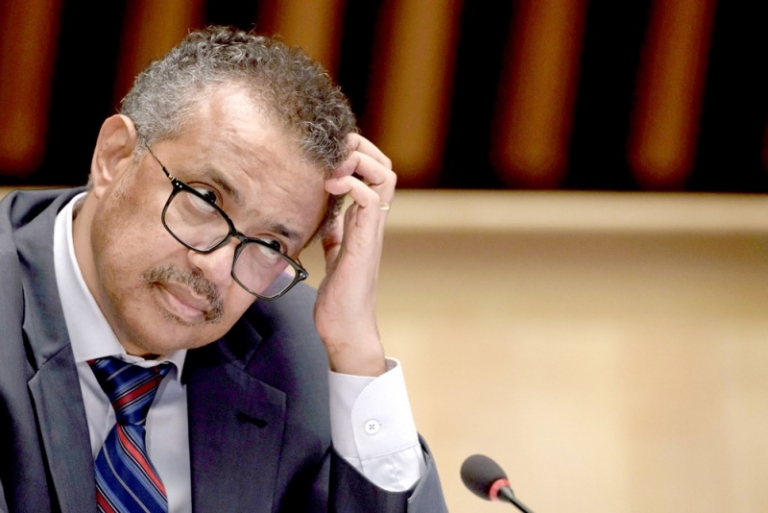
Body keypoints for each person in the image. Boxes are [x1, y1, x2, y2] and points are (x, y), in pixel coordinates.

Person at [0, 26, 447, 512]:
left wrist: (355, 352)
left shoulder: (295, 354)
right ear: (115, 156)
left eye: (270, 244)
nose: (215, 267)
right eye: (206, 199)